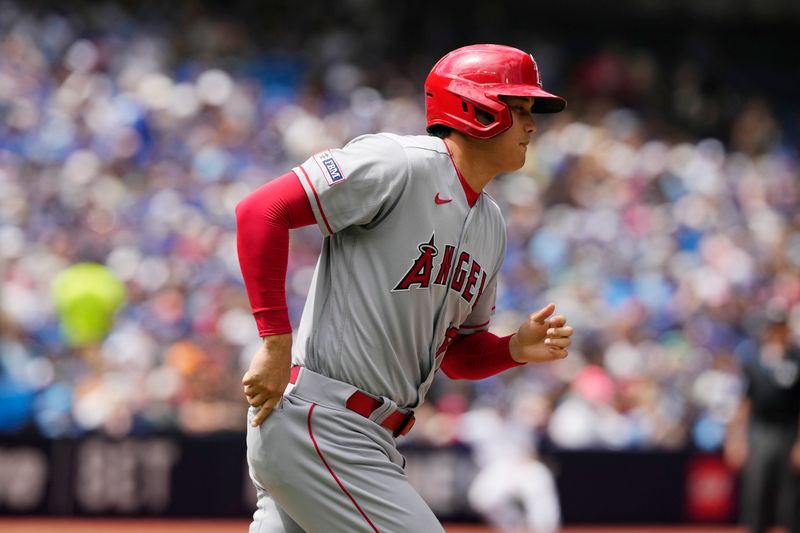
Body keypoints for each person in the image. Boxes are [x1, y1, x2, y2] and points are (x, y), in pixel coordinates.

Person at [235, 44, 574, 533]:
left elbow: (456, 357)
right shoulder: (398, 163)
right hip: (323, 422)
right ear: (474, 108)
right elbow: (261, 212)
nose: (532, 125)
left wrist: (513, 349)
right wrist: (273, 341)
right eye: (518, 109)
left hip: (366, 436)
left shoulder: (490, 224)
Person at [724, 313, 800, 533]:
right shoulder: (754, 363)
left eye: (780, 327)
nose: (776, 333)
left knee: (791, 497)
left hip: (789, 432)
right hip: (761, 433)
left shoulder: (796, 360)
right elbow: (744, 404)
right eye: (772, 327)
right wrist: (736, 439)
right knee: (757, 492)